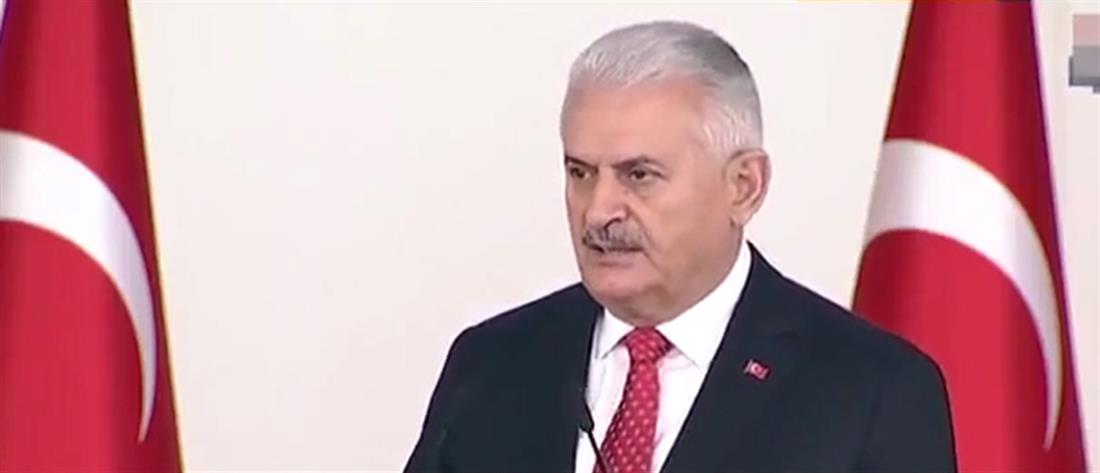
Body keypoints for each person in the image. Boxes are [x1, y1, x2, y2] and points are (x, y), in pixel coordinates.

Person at [404, 20, 956, 473]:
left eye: (638, 175)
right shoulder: (492, 364)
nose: (598, 211)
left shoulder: (874, 391)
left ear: (743, 187)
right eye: (580, 173)